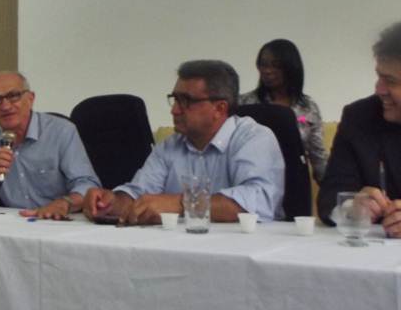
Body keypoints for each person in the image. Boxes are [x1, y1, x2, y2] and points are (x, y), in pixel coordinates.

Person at [84, 60, 285, 225]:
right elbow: (139, 193)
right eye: (174, 99)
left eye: (185, 101)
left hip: (246, 248)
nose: (174, 110)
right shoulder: (170, 145)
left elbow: (258, 200)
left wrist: (181, 203)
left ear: (219, 108)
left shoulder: (254, 138)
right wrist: (110, 202)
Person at [318, 19, 401, 239]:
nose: (379, 90)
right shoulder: (361, 118)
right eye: (379, 76)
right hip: (383, 256)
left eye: (391, 81)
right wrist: (352, 207)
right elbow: (331, 196)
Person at [0, 71, 101, 219]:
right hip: (13, 223)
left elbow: (88, 185)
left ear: (30, 99)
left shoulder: (61, 131)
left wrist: (64, 203)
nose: (5, 106)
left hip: (57, 221)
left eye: (13, 96)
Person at [239, 39, 328, 182]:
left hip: (294, 179)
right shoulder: (244, 103)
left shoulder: (308, 108)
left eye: (276, 65)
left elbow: (318, 156)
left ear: (291, 68)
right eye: (263, 64)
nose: (267, 71)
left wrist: (334, 188)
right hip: (252, 180)